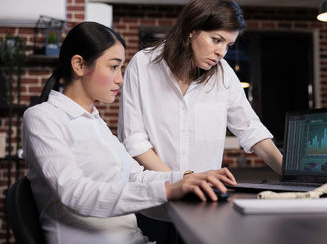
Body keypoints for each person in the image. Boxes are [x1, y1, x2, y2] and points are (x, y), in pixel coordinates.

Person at [22, 21, 236, 244]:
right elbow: (76, 194)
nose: (120, 79)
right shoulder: (42, 118)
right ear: (79, 65)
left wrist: (188, 178)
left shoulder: (96, 123)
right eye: (114, 67)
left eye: (121, 68)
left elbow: (136, 176)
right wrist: (168, 191)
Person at [118, 0, 283, 174]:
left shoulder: (223, 73)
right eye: (217, 40)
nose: (222, 52)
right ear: (192, 30)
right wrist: (180, 181)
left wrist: (290, 174)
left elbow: (251, 129)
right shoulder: (143, 65)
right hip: (151, 191)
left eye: (228, 45)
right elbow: (134, 140)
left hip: (203, 193)